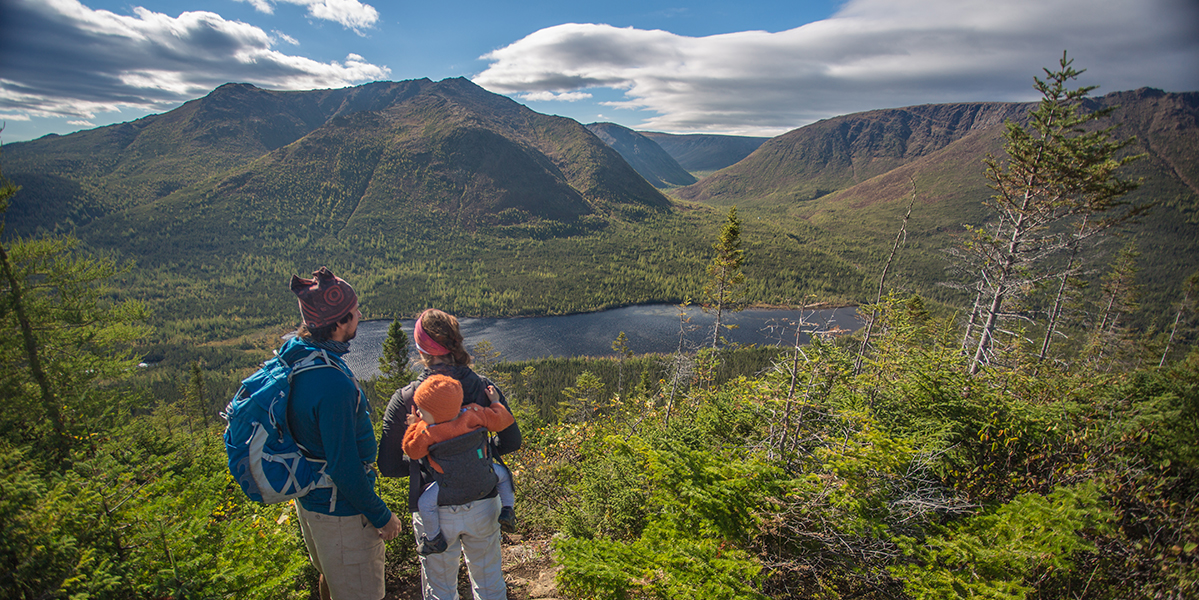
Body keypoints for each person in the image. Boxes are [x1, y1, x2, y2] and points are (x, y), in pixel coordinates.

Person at [379, 308, 522, 600]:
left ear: (421, 349)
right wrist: (476, 457)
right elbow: (512, 439)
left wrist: (436, 462)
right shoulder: (482, 387)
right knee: (490, 582)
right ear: (455, 342)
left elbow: (389, 465)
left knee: (441, 591)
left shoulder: (407, 399)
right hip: (483, 498)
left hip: (435, 507)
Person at [285, 267, 403, 600]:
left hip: (312, 501)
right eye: (354, 312)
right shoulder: (333, 384)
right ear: (338, 323)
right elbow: (343, 465)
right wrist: (382, 515)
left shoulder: (301, 357)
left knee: (331, 578)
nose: (360, 315)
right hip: (341, 513)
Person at [402, 374, 517, 555]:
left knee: (424, 504)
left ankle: (433, 539)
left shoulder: (426, 432)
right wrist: (495, 401)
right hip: (484, 477)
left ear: (434, 413)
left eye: (422, 412)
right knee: (503, 474)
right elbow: (502, 420)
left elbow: (412, 451)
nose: (419, 414)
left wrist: (413, 426)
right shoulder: (473, 414)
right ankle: (508, 509)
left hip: (447, 488)